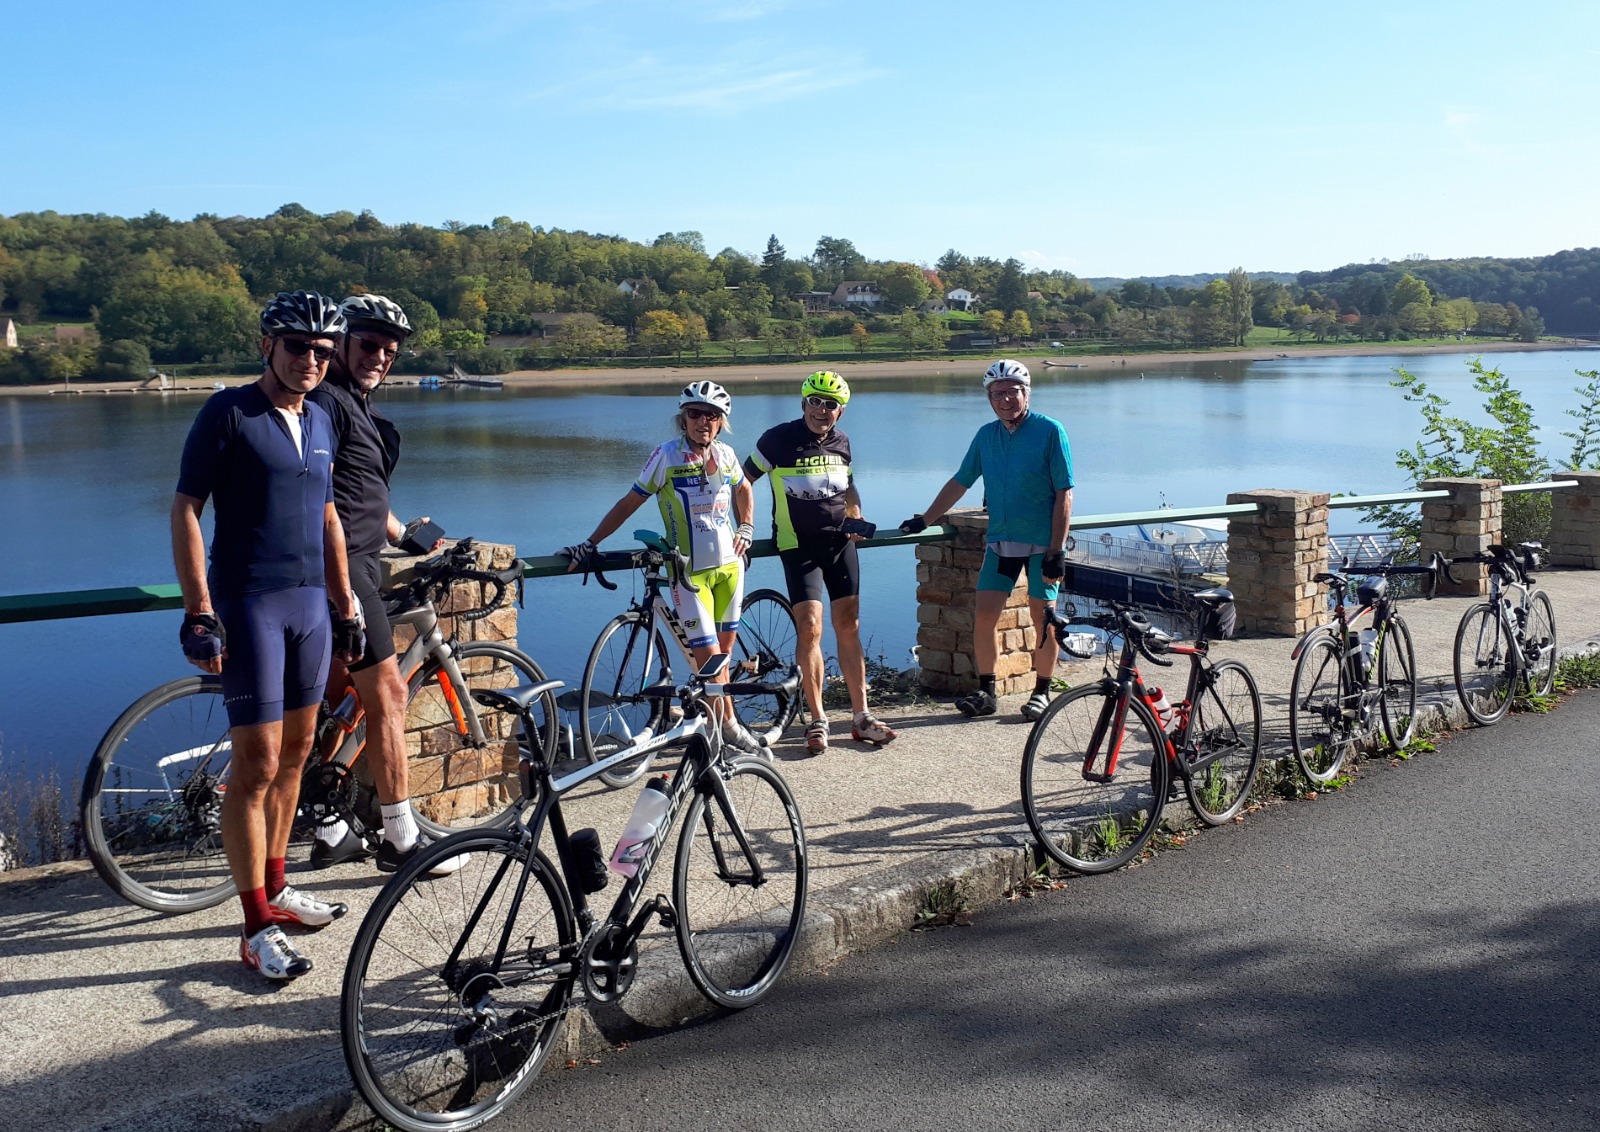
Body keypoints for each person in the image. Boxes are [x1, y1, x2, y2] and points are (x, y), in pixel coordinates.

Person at [171, 290, 364, 981]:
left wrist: (346, 604)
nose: (311, 359)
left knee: (297, 756)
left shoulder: (320, 417)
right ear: (267, 346)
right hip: (250, 601)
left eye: (323, 350)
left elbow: (329, 516)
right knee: (255, 766)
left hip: (311, 605)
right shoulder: (229, 412)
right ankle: (255, 927)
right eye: (298, 347)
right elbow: (186, 509)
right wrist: (199, 609)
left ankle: (277, 888)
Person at [304, 293, 455, 876]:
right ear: (340, 343)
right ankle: (402, 840)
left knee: (332, 701)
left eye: (390, 352)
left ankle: (330, 828)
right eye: (369, 345)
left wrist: (405, 533)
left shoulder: (354, 405)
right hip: (341, 568)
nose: (380, 357)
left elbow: (360, 492)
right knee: (388, 695)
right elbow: (318, 496)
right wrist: (343, 589)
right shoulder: (328, 403)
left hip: (350, 561)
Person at [561, 381, 760, 751]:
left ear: (721, 422)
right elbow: (628, 503)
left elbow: (744, 488)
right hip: (687, 574)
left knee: (724, 657)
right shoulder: (666, 456)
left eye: (711, 415)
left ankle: (719, 728)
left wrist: (746, 527)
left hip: (730, 569)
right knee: (710, 660)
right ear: (683, 419)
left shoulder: (727, 455)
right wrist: (590, 543)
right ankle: (729, 729)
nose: (703, 421)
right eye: (695, 414)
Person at [901, 359, 1074, 721]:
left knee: (1043, 620)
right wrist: (925, 519)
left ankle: (1042, 692)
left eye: (1013, 391)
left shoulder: (1050, 431)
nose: (1005, 399)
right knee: (983, 617)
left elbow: (1065, 492)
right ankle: (987, 692)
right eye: (997, 394)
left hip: (1042, 545)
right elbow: (960, 481)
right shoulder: (986, 436)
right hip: (1001, 542)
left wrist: (1057, 549)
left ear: (1026, 393)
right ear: (989, 398)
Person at [744, 371, 897, 755]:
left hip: (840, 544)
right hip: (798, 546)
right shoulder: (777, 439)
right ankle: (817, 719)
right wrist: (744, 527)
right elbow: (741, 481)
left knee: (849, 624)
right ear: (803, 403)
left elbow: (849, 485)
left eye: (831, 404)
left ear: (840, 411)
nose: (822, 410)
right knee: (810, 626)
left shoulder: (842, 442)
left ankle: (861, 718)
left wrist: (856, 513)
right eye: (815, 401)